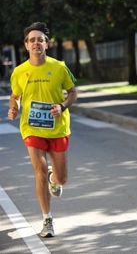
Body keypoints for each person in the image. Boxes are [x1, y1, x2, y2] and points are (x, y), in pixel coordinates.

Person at [7, 22, 78, 238]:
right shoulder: (19, 72)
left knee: (62, 178)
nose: (36, 43)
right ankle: (47, 220)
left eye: (40, 39)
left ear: (46, 44)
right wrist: (14, 108)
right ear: (26, 45)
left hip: (58, 129)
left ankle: (54, 179)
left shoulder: (59, 67)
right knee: (39, 169)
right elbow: (15, 96)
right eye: (32, 40)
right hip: (32, 129)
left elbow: (73, 92)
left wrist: (62, 106)